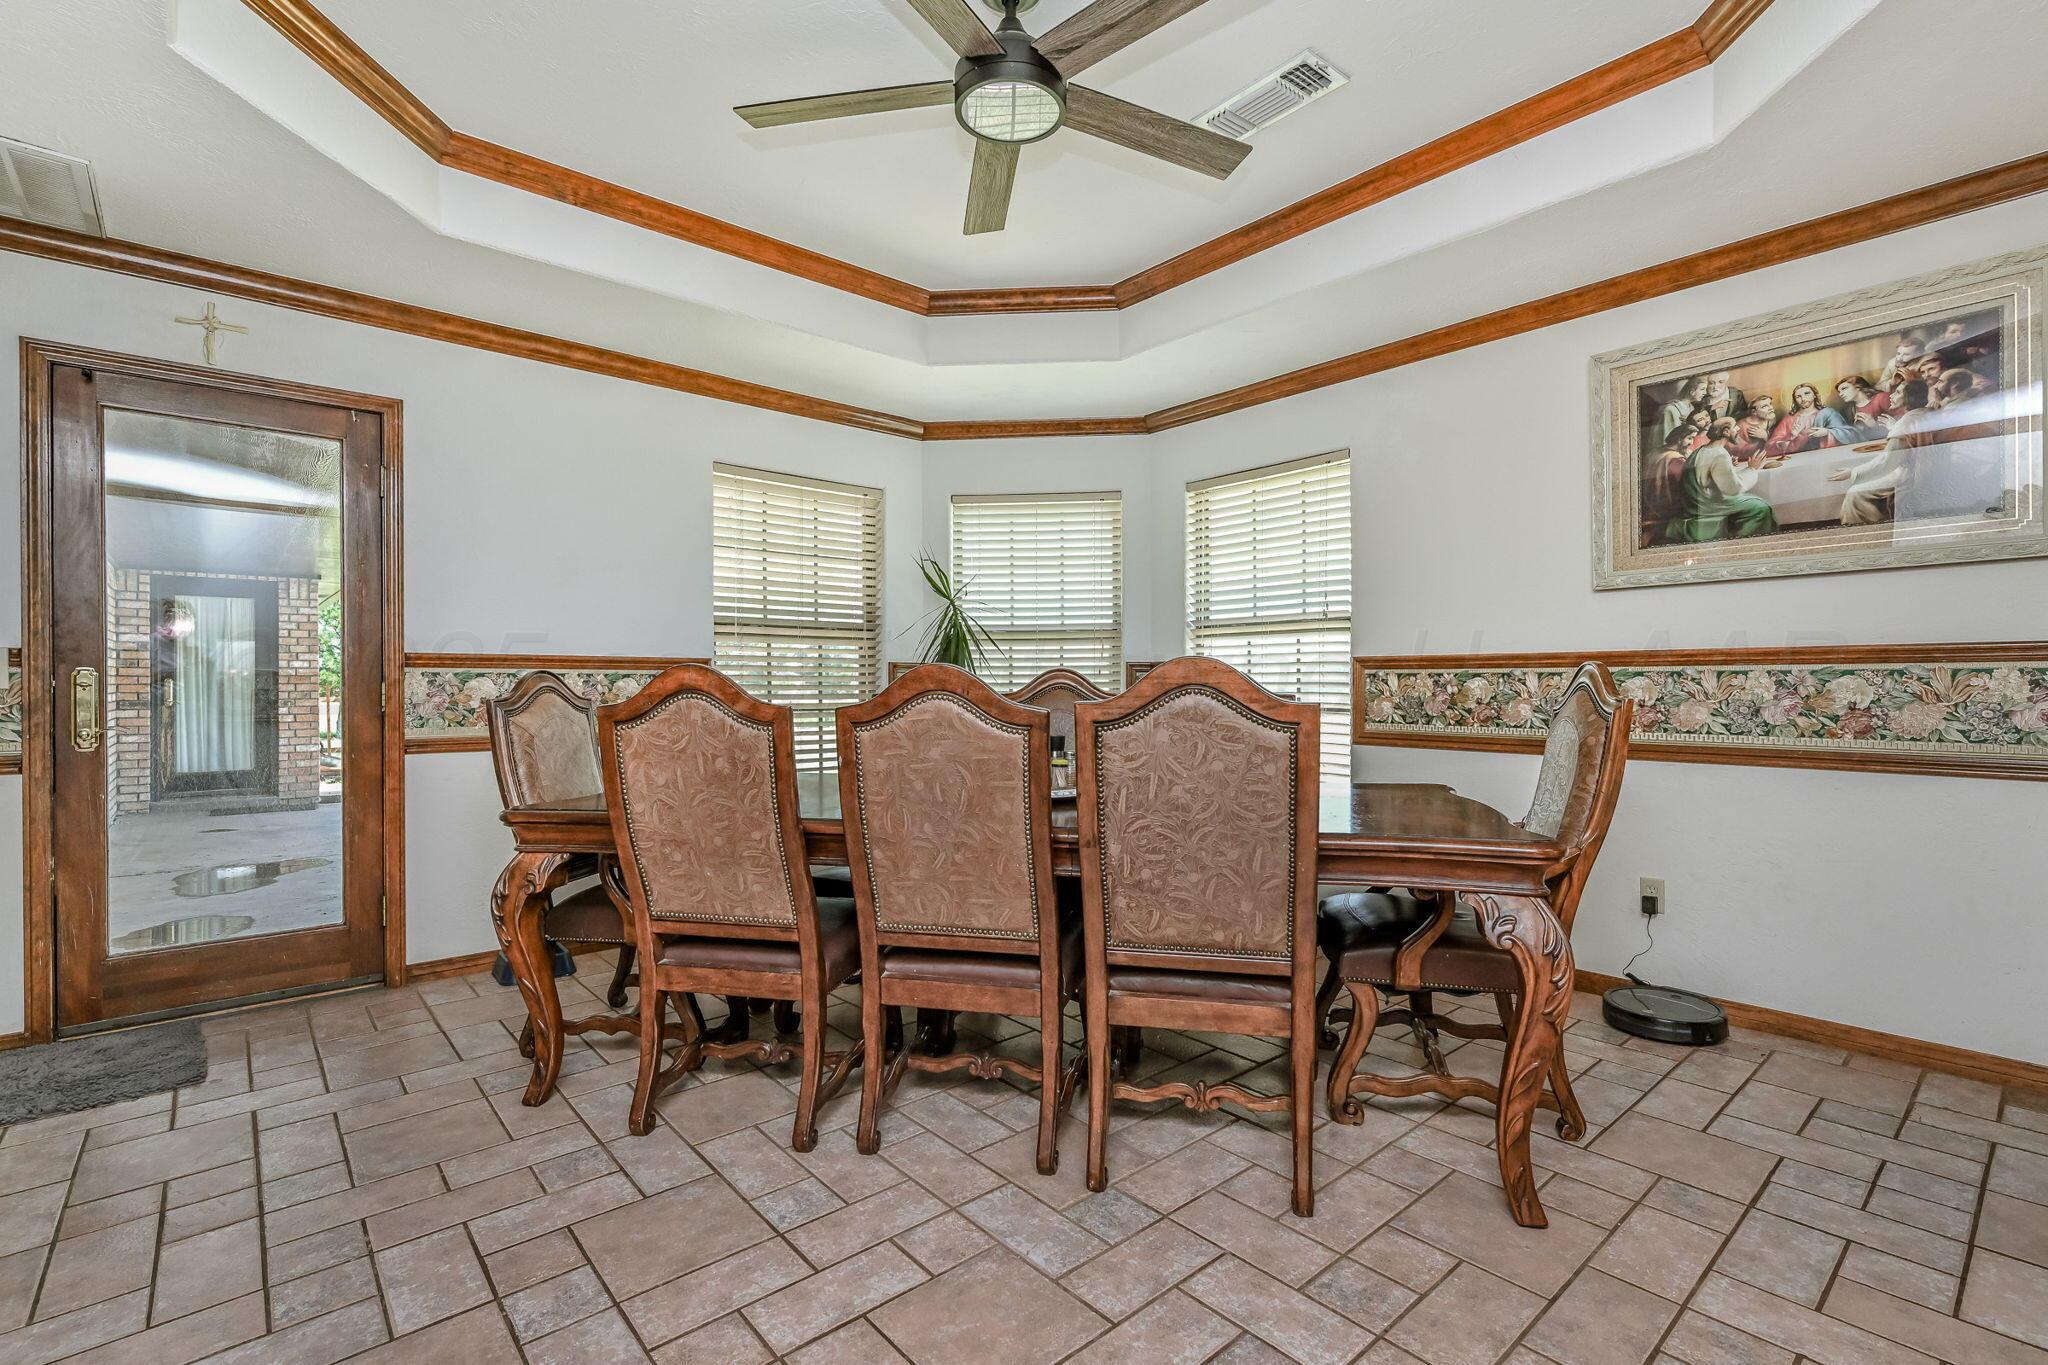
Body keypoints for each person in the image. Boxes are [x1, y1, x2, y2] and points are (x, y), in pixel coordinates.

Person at [1831, 378, 1937, 525]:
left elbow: (1887, 462)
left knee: (1855, 493)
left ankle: (1867, 531)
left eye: (1898, 392)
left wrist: (1853, 472)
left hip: (1909, 475)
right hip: (1921, 470)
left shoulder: (1904, 421)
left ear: (1910, 397)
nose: (1891, 396)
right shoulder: (1923, 414)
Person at [1662, 418, 1782, 543]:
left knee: (1754, 501)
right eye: (1735, 427)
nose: (1738, 429)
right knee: (1760, 507)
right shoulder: (1719, 454)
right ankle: (1744, 543)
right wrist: (1752, 469)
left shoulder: (1701, 450)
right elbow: (1733, 489)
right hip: (1707, 505)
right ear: (1725, 432)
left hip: (1696, 502)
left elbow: (1720, 480)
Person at [1768, 383, 1852, 456]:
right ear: (1795, 400)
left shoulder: (1828, 413)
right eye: (1798, 396)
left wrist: (1827, 432)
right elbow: (1770, 447)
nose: (1803, 399)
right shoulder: (1789, 419)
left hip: (1826, 456)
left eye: (1806, 393)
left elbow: (1848, 434)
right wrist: (1790, 437)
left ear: (1814, 395)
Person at [1658, 375, 1711, 444]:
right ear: (1692, 391)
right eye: (1702, 389)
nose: (1705, 393)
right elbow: (1666, 439)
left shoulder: (1692, 408)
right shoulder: (1671, 410)